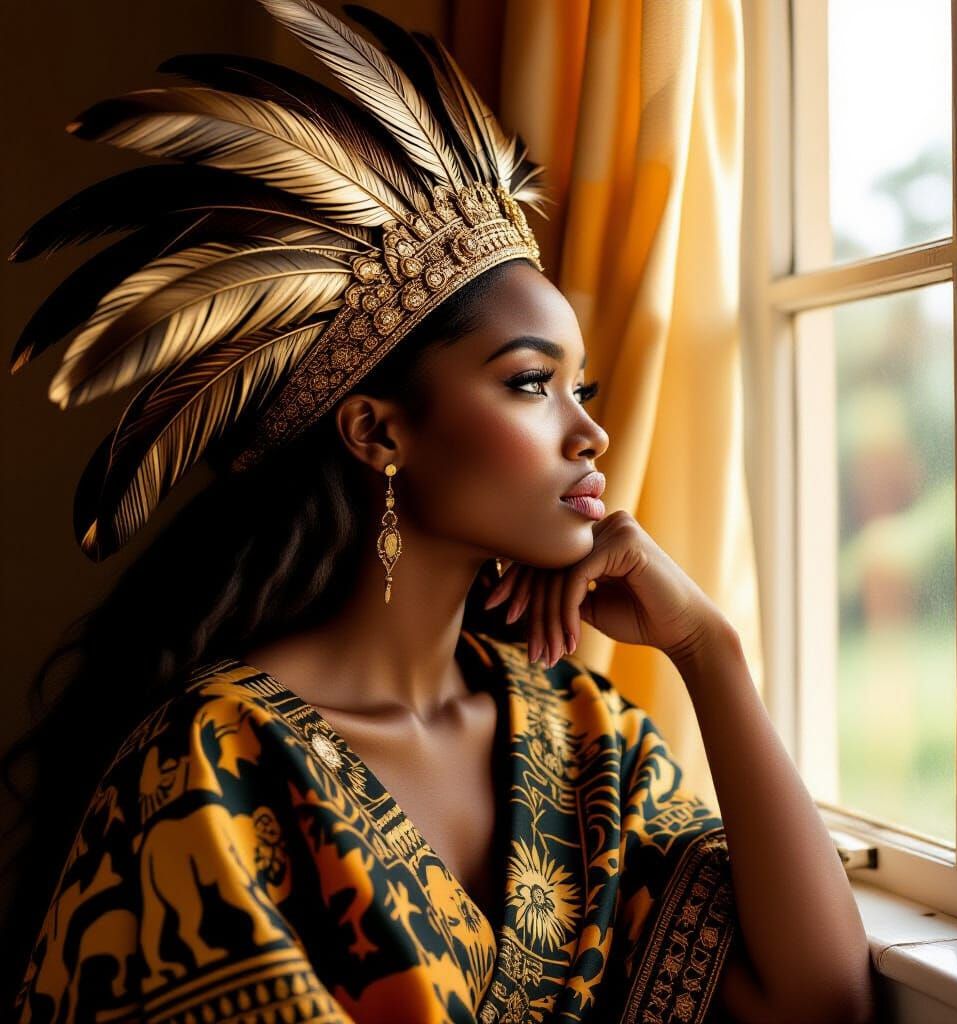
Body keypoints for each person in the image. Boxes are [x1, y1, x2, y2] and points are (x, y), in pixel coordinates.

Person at [1, 2, 874, 1022]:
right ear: (377, 433)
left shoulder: (583, 733)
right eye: (527, 383)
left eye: (579, 388)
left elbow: (818, 1000)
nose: (587, 433)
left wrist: (708, 649)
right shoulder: (214, 766)